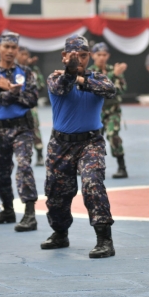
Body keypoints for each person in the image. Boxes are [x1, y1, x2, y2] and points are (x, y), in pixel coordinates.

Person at [40, 35, 116, 259]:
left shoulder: (98, 78)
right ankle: (60, 232)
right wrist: (71, 73)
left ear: (89, 57)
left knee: (93, 183)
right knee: (56, 192)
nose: (79, 60)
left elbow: (110, 90)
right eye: (74, 56)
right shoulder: (55, 78)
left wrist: (81, 79)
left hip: (90, 143)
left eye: (83, 56)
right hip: (60, 144)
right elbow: (62, 88)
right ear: (64, 57)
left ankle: (104, 239)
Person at [0, 32, 39, 232]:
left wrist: (11, 90)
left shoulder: (27, 73)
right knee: (1, 173)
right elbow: (0, 99)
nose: (10, 51)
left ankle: (30, 214)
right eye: (6, 47)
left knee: (24, 167)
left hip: (22, 128)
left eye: (14, 48)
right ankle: (7, 210)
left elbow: (32, 100)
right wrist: (15, 92)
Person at [88, 42, 129, 179]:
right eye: (98, 54)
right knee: (93, 140)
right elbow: (97, 87)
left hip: (113, 111)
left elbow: (121, 90)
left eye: (104, 55)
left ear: (108, 56)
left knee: (113, 135)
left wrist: (115, 75)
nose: (101, 57)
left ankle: (122, 166)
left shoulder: (114, 70)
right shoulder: (90, 72)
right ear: (93, 56)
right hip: (96, 112)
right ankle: (92, 167)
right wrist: (113, 75)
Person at [16, 46, 46, 166]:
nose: (24, 57)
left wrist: (30, 69)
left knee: (34, 128)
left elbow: (41, 85)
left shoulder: (33, 70)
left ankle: (39, 154)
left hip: (30, 104)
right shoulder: (12, 69)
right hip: (16, 105)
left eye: (26, 55)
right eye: (21, 54)